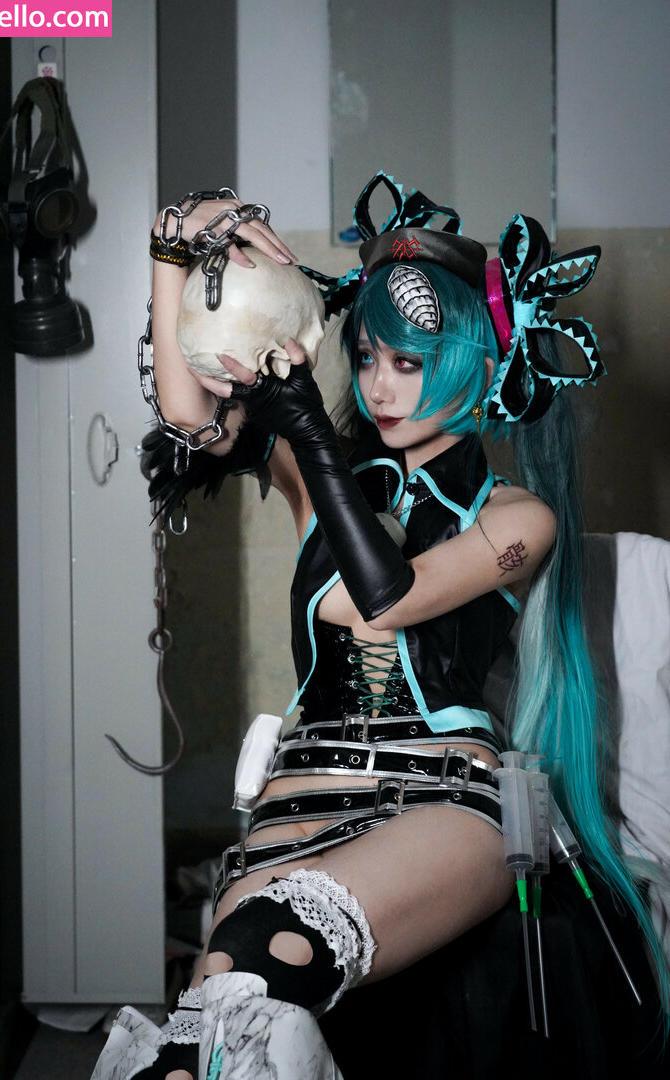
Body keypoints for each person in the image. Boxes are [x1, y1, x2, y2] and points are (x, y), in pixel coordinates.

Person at [92, 175, 669, 1080]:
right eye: (366, 358)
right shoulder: (314, 469)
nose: (379, 385)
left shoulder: (517, 518)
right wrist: (173, 247)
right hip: (301, 788)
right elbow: (188, 416)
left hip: (443, 796)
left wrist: (313, 436)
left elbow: (388, 599)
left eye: (409, 361)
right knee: (206, 1031)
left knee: (262, 949)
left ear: (479, 363)